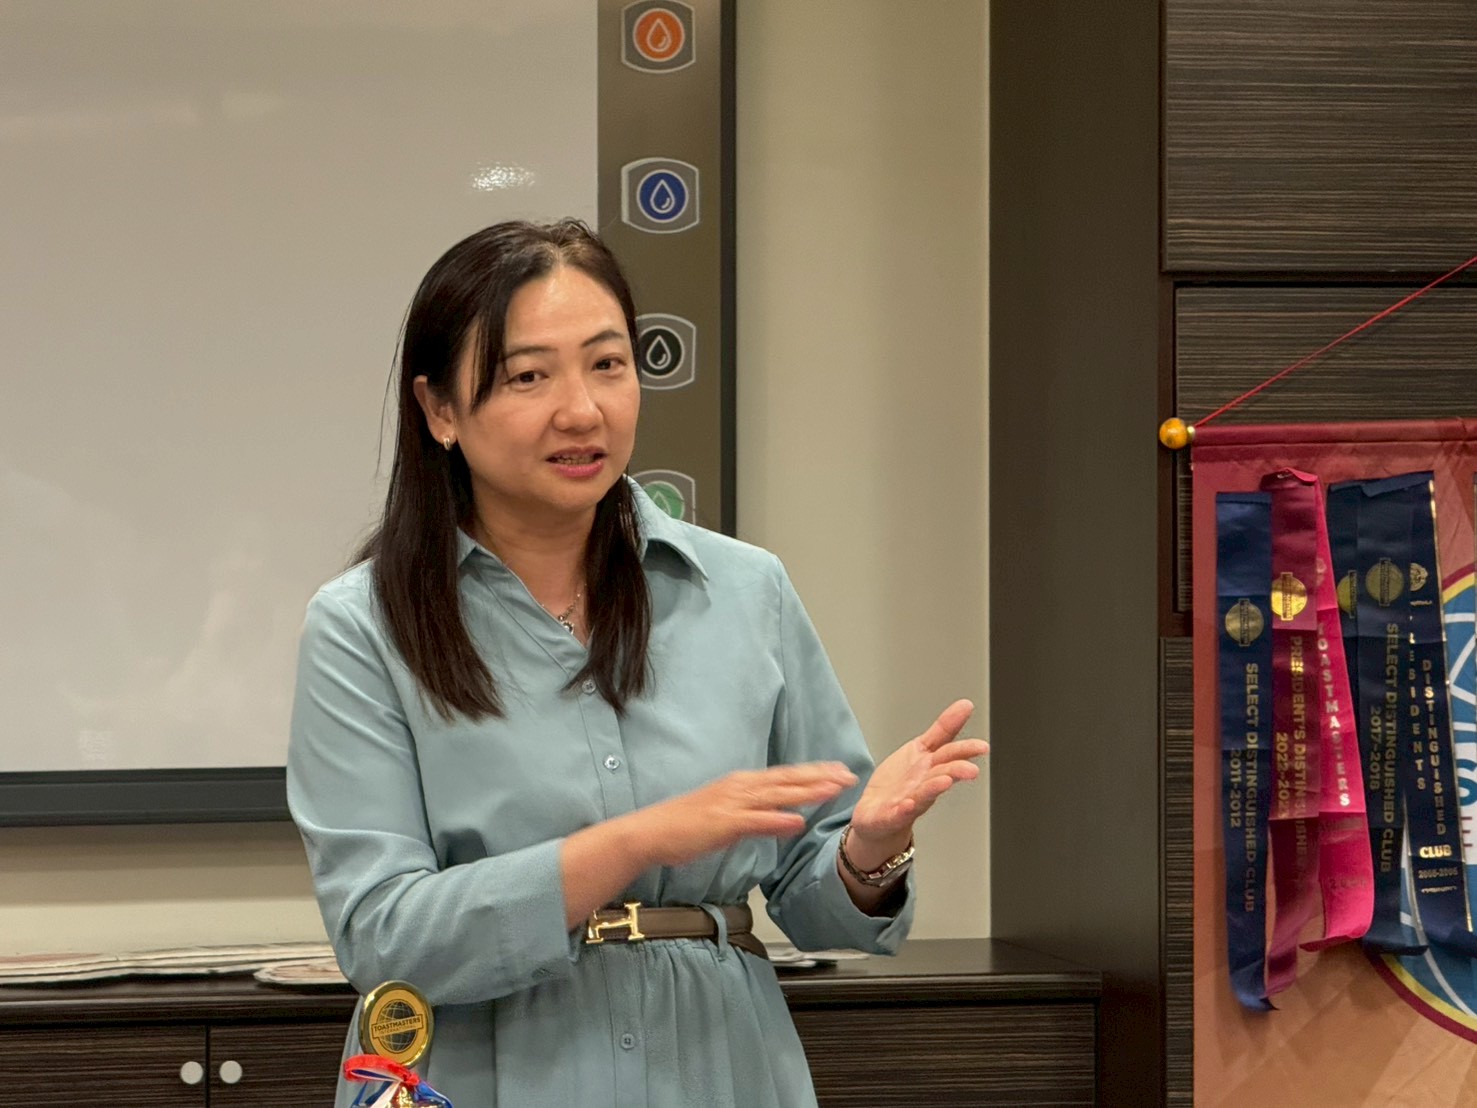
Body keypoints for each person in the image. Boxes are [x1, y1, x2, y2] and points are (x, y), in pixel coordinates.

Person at [287, 219, 988, 1107]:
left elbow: (822, 910)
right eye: (528, 376)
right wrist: (639, 841)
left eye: (608, 364)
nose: (582, 410)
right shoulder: (363, 624)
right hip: (478, 1074)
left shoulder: (744, 589)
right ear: (439, 411)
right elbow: (383, 936)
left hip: (717, 1067)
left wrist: (868, 851)